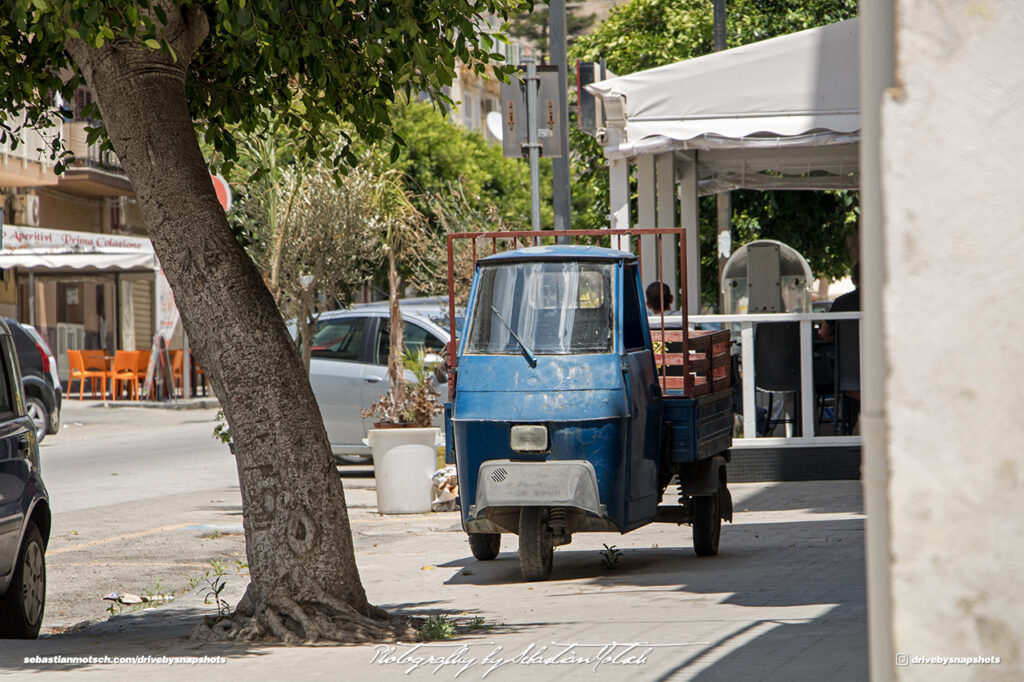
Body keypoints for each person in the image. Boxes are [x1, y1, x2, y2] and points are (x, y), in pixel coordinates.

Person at [819, 263, 859, 341]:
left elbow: (825, 333)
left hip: (848, 351)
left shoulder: (841, 302)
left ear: (853, 280)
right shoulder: (884, 301)